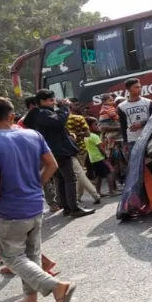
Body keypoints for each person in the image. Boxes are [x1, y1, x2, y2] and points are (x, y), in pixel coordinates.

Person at [0, 97, 76, 302]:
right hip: (34, 204)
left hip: (8, 209)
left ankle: (56, 287)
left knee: (11, 257)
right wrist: (36, 184)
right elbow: (52, 164)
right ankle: (31, 300)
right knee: (32, 254)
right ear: (12, 115)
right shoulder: (33, 135)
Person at [23, 89, 94, 218]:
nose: (53, 102)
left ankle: (67, 207)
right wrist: (65, 107)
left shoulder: (40, 113)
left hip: (52, 150)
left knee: (61, 179)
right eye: (51, 100)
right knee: (70, 178)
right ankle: (74, 208)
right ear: (42, 101)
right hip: (59, 150)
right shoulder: (43, 113)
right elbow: (59, 121)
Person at [20, 96, 59, 212]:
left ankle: (53, 202)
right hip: (36, 152)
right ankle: (50, 202)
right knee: (45, 177)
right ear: (32, 105)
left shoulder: (30, 118)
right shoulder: (26, 120)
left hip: (40, 151)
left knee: (49, 177)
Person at [62, 100, 100, 204]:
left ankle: (84, 196)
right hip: (82, 149)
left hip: (68, 150)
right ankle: (82, 196)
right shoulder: (79, 118)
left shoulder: (60, 120)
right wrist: (78, 133)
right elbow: (87, 134)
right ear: (71, 107)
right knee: (80, 173)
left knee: (79, 174)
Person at [117, 78, 152, 156]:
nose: (139, 89)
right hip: (133, 140)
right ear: (128, 90)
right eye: (136, 87)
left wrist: (142, 124)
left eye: (140, 87)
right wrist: (125, 141)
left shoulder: (149, 103)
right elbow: (123, 125)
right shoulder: (121, 106)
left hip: (149, 137)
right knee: (136, 164)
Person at [85, 117, 117, 199]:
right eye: (95, 124)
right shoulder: (94, 136)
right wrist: (105, 156)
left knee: (99, 175)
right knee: (110, 172)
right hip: (100, 157)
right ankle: (111, 191)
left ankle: (98, 192)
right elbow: (100, 148)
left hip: (93, 158)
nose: (98, 126)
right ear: (89, 126)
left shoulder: (85, 137)